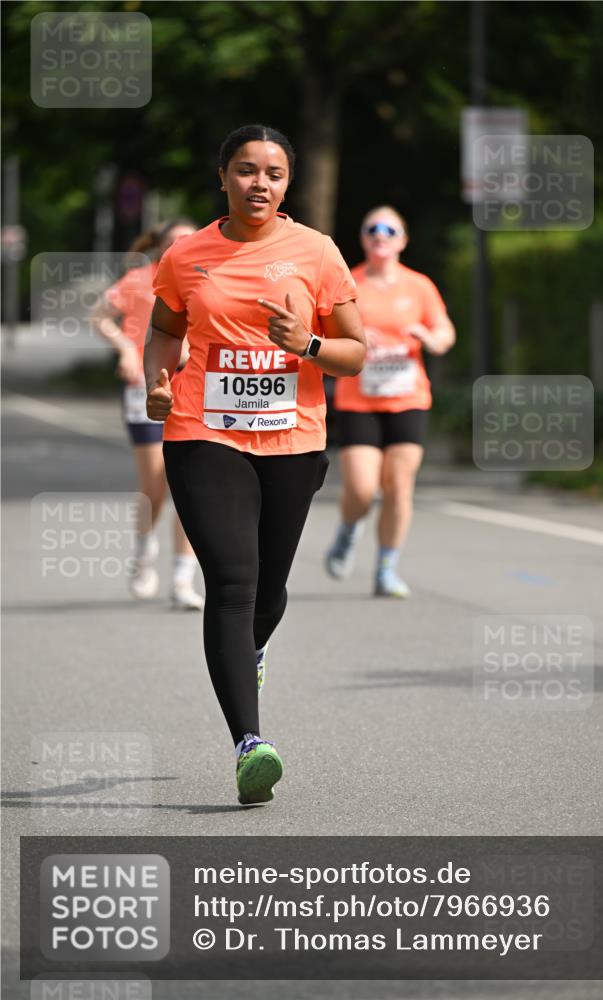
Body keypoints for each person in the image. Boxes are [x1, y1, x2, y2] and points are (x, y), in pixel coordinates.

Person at [143, 124, 365, 806]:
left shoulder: (317, 253)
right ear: (223, 177)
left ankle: (250, 656)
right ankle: (249, 744)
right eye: (245, 170)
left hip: (293, 440)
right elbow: (164, 329)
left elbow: (356, 353)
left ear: (287, 184)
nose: (258, 183)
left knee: (267, 595)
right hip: (203, 433)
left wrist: (308, 343)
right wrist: (157, 379)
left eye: (272, 172)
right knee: (233, 584)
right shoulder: (187, 256)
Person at [325, 206, 456, 598]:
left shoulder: (419, 286)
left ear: (402, 239)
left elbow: (444, 329)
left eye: (389, 229)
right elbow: (327, 330)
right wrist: (360, 339)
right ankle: (349, 530)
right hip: (359, 400)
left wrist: (433, 339)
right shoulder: (349, 282)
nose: (380, 235)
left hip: (408, 397)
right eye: (372, 229)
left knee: (399, 486)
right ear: (364, 238)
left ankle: (386, 568)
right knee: (362, 490)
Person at [91, 220, 204, 610]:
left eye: (191, 240)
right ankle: (143, 554)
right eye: (176, 242)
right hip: (145, 387)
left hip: (194, 390)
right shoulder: (139, 279)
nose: (183, 247)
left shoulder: (207, 278)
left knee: (189, 485)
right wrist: (124, 348)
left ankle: (181, 578)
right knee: (156, 483)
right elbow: (100, 316)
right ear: (160, 247)